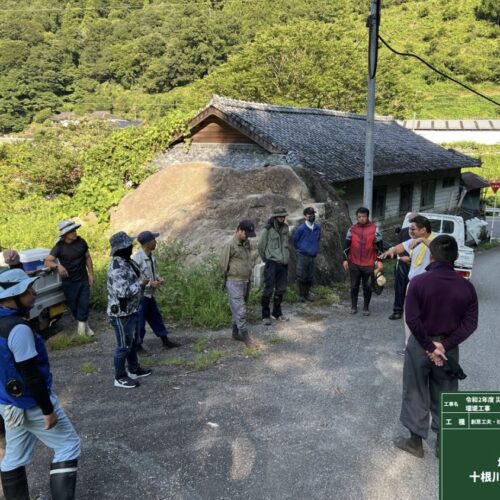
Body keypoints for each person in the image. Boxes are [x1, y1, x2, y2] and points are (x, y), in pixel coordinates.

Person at [393, 235, 478, 458]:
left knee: (415, 390)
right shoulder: (466, 287)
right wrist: (443, 346)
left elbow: (411, 319)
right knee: (446, 394)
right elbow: (471, 323)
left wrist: (430, 346)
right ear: (456, 257)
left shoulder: (419, 282)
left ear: (431, 255)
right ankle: (443, 446)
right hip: (448, 349)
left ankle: (415, 444)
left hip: (420, 345)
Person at [0, 269, 80, 499]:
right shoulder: (18, 329)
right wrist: (47, 410)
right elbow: (31, 375)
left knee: (13, 457)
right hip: (31, 403)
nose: (33, 294)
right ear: (10, 296)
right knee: (68, 445)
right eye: (27, 291)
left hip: (8, 404)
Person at [107, 231, 152, 389]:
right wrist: (140, 283)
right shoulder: (117, 267)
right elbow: (123, 292)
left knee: (131, 343)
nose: (131, 248)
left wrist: (147, 281)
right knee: (123, 346)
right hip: (121, 314)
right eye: (128, 246)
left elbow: (140, 275)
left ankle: (134, 370)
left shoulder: (128, 262)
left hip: (132, 310)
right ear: (120, 249)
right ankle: (119, 377)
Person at [381, 215, 434, 344]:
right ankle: (409, 346)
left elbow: (437, 250)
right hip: (413, 284)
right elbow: (399, 247)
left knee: (424, 318)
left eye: (413, 228)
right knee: (410, 317)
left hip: (428, 287)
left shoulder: (435, 240)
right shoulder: (413, 241)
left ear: (423, 230)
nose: (411, 231)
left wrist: (422, 240)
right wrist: (391, 251)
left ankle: (425, 347)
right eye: (410, 228)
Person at [132, 231, 180, 355]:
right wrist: (149, 284)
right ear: (147, 243)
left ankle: (165, 340)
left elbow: (150, 273)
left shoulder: (151, 257)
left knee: (156, 318)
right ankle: (137, 346)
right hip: (141, 295)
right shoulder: (137, 259)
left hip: (149, 294)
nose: (156, 242)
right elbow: (134, 278)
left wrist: (158, 279)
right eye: (154, 240)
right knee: (140, 322)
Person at [45, 220, 95, 337]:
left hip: (83, 278)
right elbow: (47, 261)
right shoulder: (59, 247)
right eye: (71, 231)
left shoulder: (81, 241)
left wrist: (91, 274)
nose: (74, 233)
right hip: (69, 281)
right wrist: (58, 266)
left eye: (74, 230)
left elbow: (88, 258)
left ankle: (81, 331)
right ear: (65, 234)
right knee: (73, 304)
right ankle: (85, 326)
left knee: (84, 302)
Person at [220, 220, 256, 346]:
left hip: (246, 281)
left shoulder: (246, 243)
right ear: (240, 230)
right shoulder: (230, 245)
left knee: (240, 307)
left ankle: (235, 334)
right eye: (246, 233)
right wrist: (225, 281)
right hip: (234, 282)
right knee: (240, 310)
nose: (248, 237)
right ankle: (246, 337)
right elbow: (223, 266)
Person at [342, 207, 383, 316]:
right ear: (356, 217)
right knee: (354, 286)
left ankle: (366, 307)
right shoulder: (352, 229)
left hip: (369, 263)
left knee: (367, 287)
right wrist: (344, 260)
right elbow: (346, 246)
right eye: (359, 216)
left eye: (363, 216)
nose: (361, 218)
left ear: (367, 216)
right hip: (354, 262)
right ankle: (353, 306)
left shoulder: (375, 229)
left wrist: (379, 260)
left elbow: (380, 247)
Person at [258, 207, 290, 325]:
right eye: (280, 216)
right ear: (275, 217)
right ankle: (265, 315)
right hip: (271, 263)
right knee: (268, 290)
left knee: (281, 289)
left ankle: (277, 313)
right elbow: (260, 246)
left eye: (284, 216)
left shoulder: (286, 228)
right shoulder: (267, 230)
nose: (282, 218)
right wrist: (266, 260)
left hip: (283, 264)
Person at [293, 207, 321, 302]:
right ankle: (301, 296)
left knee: (310, 275)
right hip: (303, 255)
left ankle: (307, 294)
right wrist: (301, 249)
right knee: (301, 275)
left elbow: (318, 239)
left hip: (313, 255)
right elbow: (295, 241)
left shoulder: (317, 227)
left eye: (313, 213)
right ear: (305, 216)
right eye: (310, 214)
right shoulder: (301, 228)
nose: (312, 215)